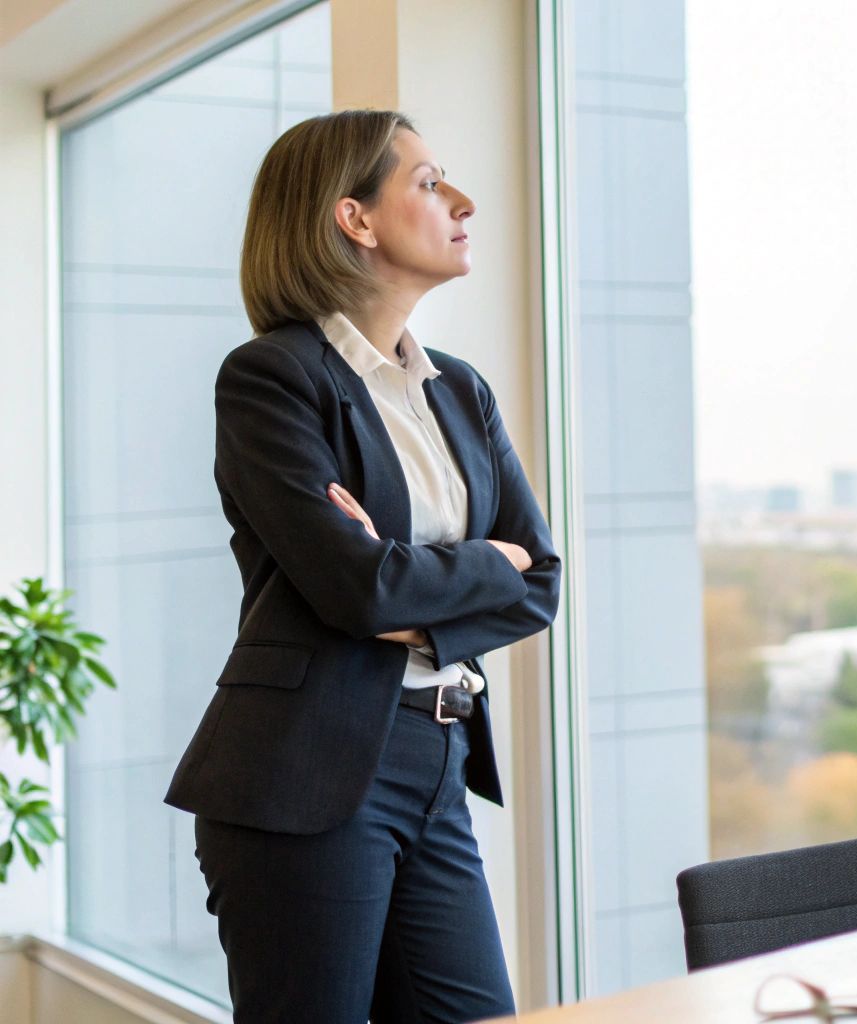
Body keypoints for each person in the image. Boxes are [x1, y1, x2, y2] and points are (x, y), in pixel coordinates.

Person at [163, 108, 561, 1023]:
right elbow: (356, 588)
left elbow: (538, 581)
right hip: (305, 770)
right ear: (356, 219)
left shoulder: (458, 387)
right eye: (428, 182)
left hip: (439, 749)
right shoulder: (272, 377)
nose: (461, 200)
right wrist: (469, 563)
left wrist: (414, 573)